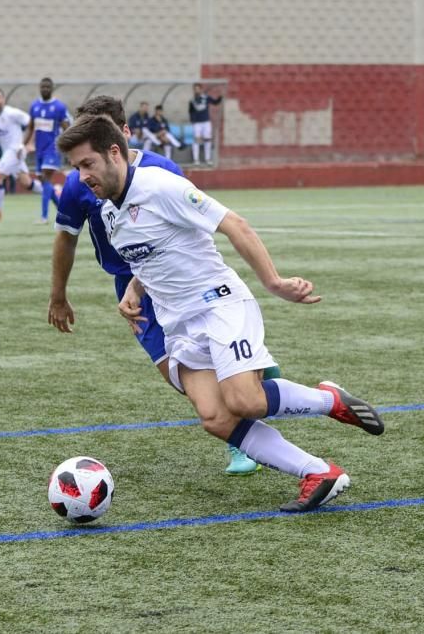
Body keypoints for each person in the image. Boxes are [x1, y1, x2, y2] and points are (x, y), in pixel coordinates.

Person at [56, 114, 384, 511]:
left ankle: (328, 400)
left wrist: (275, 282)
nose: (81, 175)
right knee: (215, 417)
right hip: (179, 325)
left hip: (219, 304)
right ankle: (319, 472)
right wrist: (133, 289)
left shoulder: (160, 186)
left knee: (244, 401)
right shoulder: (109, 211)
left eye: (87, 164)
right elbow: (152, 255)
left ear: (114, 153)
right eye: (76, 168)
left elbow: (235, 224)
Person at [49, 95, 269, 476]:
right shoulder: (78, 183)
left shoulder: (161, 171)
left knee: (215, 371)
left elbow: (192, 225)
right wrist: (58, 295)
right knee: (180, 376)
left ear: (123, 136)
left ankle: (244, 437)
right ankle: (253, 387)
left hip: (177, 282)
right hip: (130, 290)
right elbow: (66, 237)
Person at [0, 87, 42, 221]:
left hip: (16, 151)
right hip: (8, 154)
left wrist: (30, 143)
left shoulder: (12, 113)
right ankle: (52, 192)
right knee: (27, 183)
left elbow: (33, 123)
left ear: (4, 99)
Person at [23, 77, 73, 225]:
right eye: (43, 87)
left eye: (47, 87)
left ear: (52, 88)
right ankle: (64, 211)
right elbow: (31, 128)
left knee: (45, 178)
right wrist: (22, 145)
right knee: (44, 183)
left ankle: (44, 217)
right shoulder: (35, 106)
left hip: (52, 149)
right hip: (39, 149)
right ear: (39, 88)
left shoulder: (58, 107)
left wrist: (70, 148)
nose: (45, 89)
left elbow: (66, 129)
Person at [188, 82, 222, 165]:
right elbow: (190, 112)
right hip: (196, 123)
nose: (196, 90)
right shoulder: (192, 101)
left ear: (201, 89)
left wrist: (220, 97)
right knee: (196, 140)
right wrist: (192, 121)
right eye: (195, 89)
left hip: (206, 122)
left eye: (198, 88)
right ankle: (196, 159)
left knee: (207, 139)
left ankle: (208, 159)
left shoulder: (206, 98)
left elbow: (215, 102)